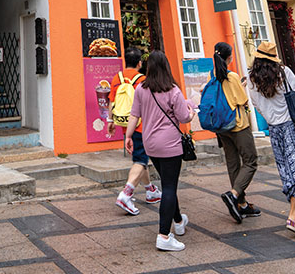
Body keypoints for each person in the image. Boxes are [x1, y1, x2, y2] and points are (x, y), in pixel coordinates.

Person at [123, 50, 195, 252]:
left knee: (167, 183)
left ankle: (179, 222)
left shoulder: (141, 89)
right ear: (166, 67)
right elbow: (183, 118)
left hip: (150, 145)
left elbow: (134, 116)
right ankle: (164, 235)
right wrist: (190, 112)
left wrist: (128, 137)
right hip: (170, 145)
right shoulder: (173, 90)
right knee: (170, 187)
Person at [247, 41, 295, 238]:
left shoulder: (252, 79)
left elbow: (256, 105)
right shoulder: (283, 72)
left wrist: (270, 117)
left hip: (274, 129)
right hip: (293, 126)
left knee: (287, 170)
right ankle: (293, 216)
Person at [107, 47, 162, 215]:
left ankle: (150, 190)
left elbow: (112, 101)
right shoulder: (143, 79)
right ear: (140, 63)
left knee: (140, 157)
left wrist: (110, 121)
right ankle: (126, 193)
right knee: (140, 160)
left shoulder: (117, 77)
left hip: (126, 124)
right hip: (142, 124)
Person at [212, 42, 260, 222]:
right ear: (230, 57)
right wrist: (242, 86)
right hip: (238, 124)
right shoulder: (231, 76)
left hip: (221, 126)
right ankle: (233, 195)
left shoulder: (213, 74)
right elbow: (241, 99)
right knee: (251, 160)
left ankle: (241, 204)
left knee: (233, 164)